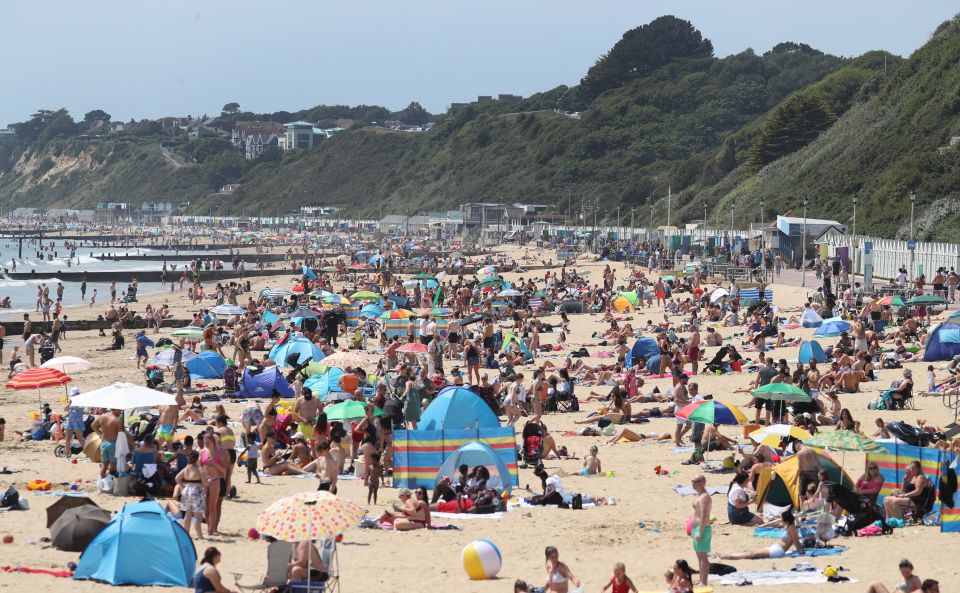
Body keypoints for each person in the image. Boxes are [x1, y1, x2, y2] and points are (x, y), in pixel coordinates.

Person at [720, 510, 804, 559]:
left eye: (782, 519)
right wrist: (763, 525)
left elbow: (796, 541)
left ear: (786, 520)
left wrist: (801, 553)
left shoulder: (792, 528)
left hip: (777, 551)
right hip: (774, 548)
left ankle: (727, 556)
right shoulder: (788, 525)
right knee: (751, 552)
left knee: (751, 554)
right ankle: (729, 555)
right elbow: (776, 521)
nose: (780, 520)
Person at [175, 450, 206, 539]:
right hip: (197, 491)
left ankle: (186, 534)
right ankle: (200, 536)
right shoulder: (199, 468)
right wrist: (209, 482)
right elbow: (204, 482)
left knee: (188, 514)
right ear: (197, 458)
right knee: (198, 515)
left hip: (187, 490)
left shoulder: (187, 467)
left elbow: (177, 478)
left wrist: (182, 487)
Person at [690, 475, 711, 587]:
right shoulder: (699, 495)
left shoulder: (704, 497)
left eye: (695, 481)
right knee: (699, 556)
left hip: (702, 529)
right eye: (692, 481)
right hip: (697, 528)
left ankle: (704, 581)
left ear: (703, 482)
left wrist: (700, 531)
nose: (693, 483)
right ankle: (700, 579)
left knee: (703, 557)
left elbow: (704, 515)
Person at [91, 409, 122, 478]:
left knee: (104, 465)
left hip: (104, 443)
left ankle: (102, 482)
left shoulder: (102, 417)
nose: (120, 412)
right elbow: (121, 435)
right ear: (115, 409)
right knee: (113, 466)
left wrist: (100, 434)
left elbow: (93, 425)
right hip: (113, 444)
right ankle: (110, 484)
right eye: (119, 410)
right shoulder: (117, 421)